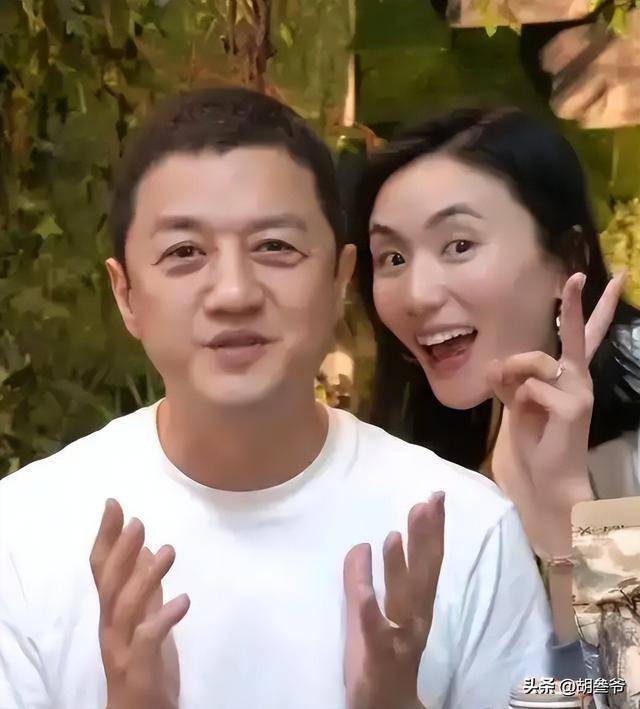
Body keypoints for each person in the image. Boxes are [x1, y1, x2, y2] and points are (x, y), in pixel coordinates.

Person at [0, 88, 555, 709]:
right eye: (184, 253)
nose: (234, 293)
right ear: (126, 294)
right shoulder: (23, 536)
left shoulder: (469, 530)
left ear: (340, 278)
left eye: (275, 247)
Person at [350, 107, 637, 651]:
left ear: (566, 260)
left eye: (459, 246)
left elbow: (625, 682)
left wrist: (570, 514)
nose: (417, 295)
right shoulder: (433, 447)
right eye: (392, 257)